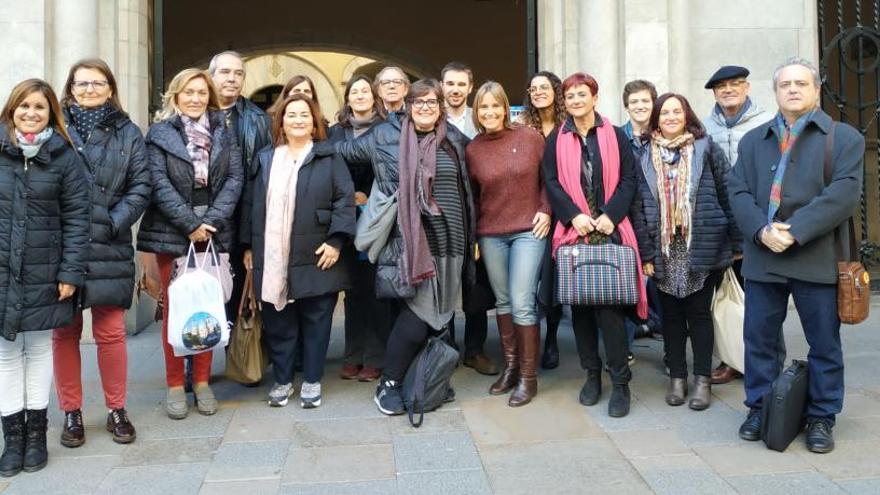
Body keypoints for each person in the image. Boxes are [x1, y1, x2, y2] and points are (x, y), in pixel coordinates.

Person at [729, 57, 864, 454]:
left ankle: (822, 416)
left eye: (800, 83)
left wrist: (795, 231)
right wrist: (760, 230)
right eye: (785, 84)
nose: (792, 89)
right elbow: (737, 192)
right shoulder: (754, 141)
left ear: (815, 89)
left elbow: (842, 194)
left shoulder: (844, 138)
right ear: (775, 92)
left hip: (816, 256)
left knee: (823, 343)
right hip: (763, 256)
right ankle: (760, 407)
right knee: (759, 342)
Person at [329, 79, 475, 416]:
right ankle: (389, 384)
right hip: (411, 244)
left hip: (451, 244)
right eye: (418, 101)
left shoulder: (453, 139)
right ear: (407, 105)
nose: (425, 107)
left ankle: (422, 376)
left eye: (431, 101)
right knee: (417, 317)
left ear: (440, 106)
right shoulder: (384, 135)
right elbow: (337, 152)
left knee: (438, 319)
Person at [53, 59, 151, 448]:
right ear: (70, 87)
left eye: (98, 83)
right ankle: (71, 412)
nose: (90, 89)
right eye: (82, 83)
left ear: (111, 88)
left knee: (110, 333)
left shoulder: (128, 131)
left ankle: (116, 409)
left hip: (110, 243)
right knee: (64, 332)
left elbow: (140, 186)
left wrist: (111, 222)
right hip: (64, 245)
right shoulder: (54, 127)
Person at [137, 68, 243, 420]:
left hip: (214, 232)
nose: (195, 98)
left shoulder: (225, 132)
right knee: (176, 311)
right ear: (175, 96)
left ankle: (201, 382)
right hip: (172, 233)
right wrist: (190, 224)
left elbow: (234, 179)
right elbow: (158, 183)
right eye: (188, 92)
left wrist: (210, 222)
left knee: (207, 308)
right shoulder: (160, 134)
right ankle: (173, 384)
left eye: (201, 92)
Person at [241, 94, 355, 408]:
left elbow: (344, 202)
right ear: (281, 121)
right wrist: (248, 246)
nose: (298, 120)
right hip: (272, 253)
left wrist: (336, 241)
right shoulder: (266, 158)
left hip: (317, 252)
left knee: (317, 321)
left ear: (314, 121)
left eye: (304, 115)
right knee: (279, 323)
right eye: (291, 115)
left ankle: (313, 380)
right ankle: (281, 380)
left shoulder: (329, 157)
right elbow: (250, 204)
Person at [543, 72, 646, 418]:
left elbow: (630, 179)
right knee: (581, 310)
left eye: (581, 94)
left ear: (594, 98)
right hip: (575, 233)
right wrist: (573, 215)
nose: (575, 100)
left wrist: (610, 215)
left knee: (609, 310)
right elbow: (552, 182)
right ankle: (591, 375)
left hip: (610, 230)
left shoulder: (615, 135)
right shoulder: (556, 138)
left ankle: (620, 382)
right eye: (569, 96)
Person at [0, 79, 89, 477]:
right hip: (3, 270)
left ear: (51, 112)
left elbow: (77, 219)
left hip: (45, 271)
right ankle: (12, 439)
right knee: (4, 355)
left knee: (37, 351)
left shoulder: (63, 157)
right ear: (11, 110)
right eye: (24, 106)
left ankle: (36, 435)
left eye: (39, 107)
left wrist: (70, 271)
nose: (31, 113)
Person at [631, 93, 741, 411]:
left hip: (701, 245)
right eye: (664, 112)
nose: (670, 117)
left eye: (676, 111)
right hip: (664, 248)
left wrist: (737, 243)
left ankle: (702, 380)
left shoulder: (706, 149)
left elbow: (728, 192)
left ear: (686, 115)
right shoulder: (642, 155)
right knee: (671, 318)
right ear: (656, 119)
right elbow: (638, 208)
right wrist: (646, 254)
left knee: (699, 315)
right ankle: (677, 378)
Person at [467, 81, 549, 406]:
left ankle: (529, 378)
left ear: (505, 108)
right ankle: (511, 367)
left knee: (522, 300)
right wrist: (474, 235)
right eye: (483, 107)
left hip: (528, 230)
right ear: (477, 112)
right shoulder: (473, 149)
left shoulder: (530, 138)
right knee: (502, 302)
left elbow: (549, 180)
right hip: (491, 233)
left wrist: (546, 209)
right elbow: (472, 196)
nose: (489, 112)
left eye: (494, 106)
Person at [702, 65, 773, 385]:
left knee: (758, 294)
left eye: (735, 85)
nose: (728, 91)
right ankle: (730, 357)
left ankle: (759, 358)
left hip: (758, 219)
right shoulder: (704, 129)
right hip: (720, 224)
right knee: (723, 295)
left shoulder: (766, 122)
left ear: (746, 87)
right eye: (721, 87)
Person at [328, 75, 390, 382]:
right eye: (355, 91)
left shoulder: (386, 128)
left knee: (374, 290)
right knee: (352, 292)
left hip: (376, 218)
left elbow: (389, 169)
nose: (361, 95)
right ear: (348, 98)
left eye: (366, 90)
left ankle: (375, 357)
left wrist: (367, 194)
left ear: (374, 96)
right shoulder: (335, 132)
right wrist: (345, 195)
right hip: (343, 218)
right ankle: (352, 354)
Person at [208, 51, 272, 336]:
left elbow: (264, 174)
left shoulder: (258, 119)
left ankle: (241, 357)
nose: (232, 78)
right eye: (225, 72)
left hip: (242, 217)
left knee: (240, 289)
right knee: (205, 288)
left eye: (238, 73)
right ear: (211, 76)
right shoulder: (195, 113)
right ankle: (197, 362)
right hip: (203, 218)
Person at [441, 61, 497, 376]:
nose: (455, 90)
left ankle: (475, 350)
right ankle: (445, 348)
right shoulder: (431, 118)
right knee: (445, 286)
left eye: (461, 84)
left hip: (480, 215)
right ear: (442, 85)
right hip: (446, 217)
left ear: (470, 86)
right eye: (450, 84)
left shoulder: (482, 120)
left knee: (476, 289)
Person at [519, 70, 566, 370]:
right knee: (531, 279)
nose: (538, 92)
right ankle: (531, 341)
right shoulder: (523, 127)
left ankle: (551, 339)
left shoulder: (566, 126)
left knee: (553, 278)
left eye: (544, 87)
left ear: (555, 91)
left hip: (562, 211)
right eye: (533, 88)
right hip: (529, 209)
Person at [621, 80, 664, 344]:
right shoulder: (616, 137)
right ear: (626, 107)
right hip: (627, 219)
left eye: (645, 101)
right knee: (625, 284)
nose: (640, 106)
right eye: (634, 101)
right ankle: (625, 347)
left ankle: (659, 330)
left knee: (663, 286)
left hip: (659, 219)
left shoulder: (664, 136)